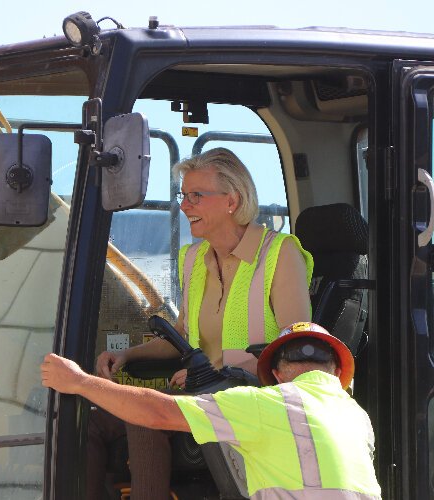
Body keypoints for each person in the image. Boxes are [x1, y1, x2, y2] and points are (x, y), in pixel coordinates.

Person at [91, 148, 314, 498]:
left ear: (232, 200)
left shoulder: (280, 253)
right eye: (183, 195)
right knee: (89, 418)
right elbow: (181, 336)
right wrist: (129, 356)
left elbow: (297, 347)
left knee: (145, 414)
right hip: (200, 391)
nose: (184, 206)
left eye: (196, 196)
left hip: (254, 395)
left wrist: (216, 365)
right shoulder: (193, 259)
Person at [41, 322, 382, 499]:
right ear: (337, 372)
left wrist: (79, 382)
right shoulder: (359, 419)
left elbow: (157, 412)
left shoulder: (268, 404)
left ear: (277, 375)